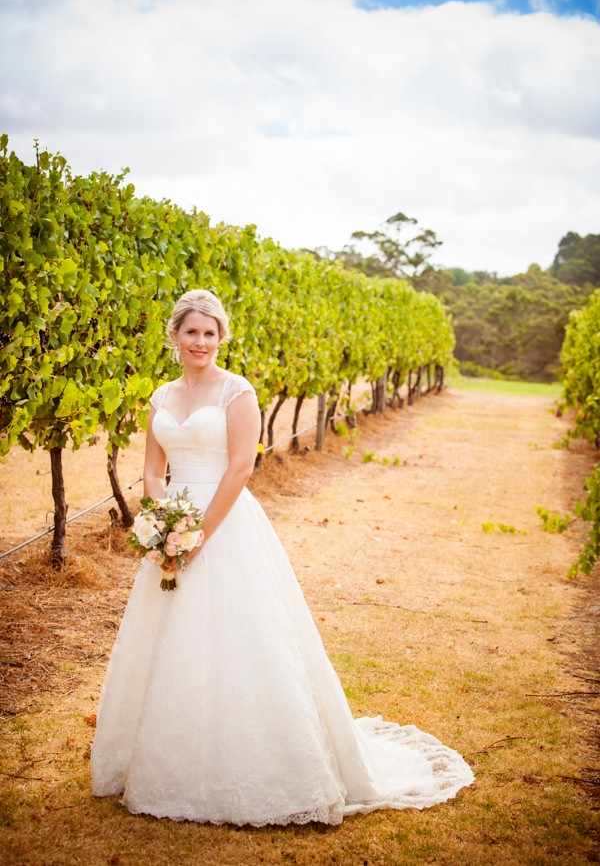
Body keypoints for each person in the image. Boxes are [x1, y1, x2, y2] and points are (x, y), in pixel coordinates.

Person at [91, 289, 474, 826]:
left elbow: (240, 469)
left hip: (224, 523)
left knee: (240, 637)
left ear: (221, 338)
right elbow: (154, 468)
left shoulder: (236, 392)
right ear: (174, 335)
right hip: (172, 522)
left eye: (210, 332)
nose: (200, 341)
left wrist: (198, 534)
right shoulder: (160, 396)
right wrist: (161, 525)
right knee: (170, 638)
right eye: (191, 331)